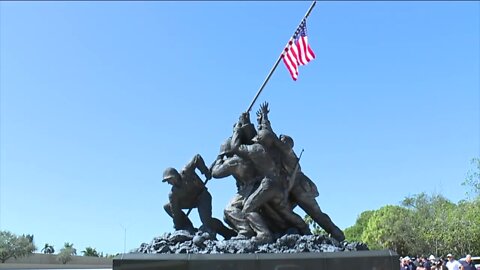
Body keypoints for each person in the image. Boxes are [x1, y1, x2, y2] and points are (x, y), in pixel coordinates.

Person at [162, 154, 235, 239]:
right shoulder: (173, 193)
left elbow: (197, 158)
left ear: (174, 176)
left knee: (207, 222)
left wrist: (205, 171)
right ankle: (187, 227)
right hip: (190, 201)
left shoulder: (186, 171)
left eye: (168, 180)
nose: (168, 183)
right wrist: (178, 226)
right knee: (167, 207)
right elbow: (175, 212)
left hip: (202, 196)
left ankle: (228, 233)